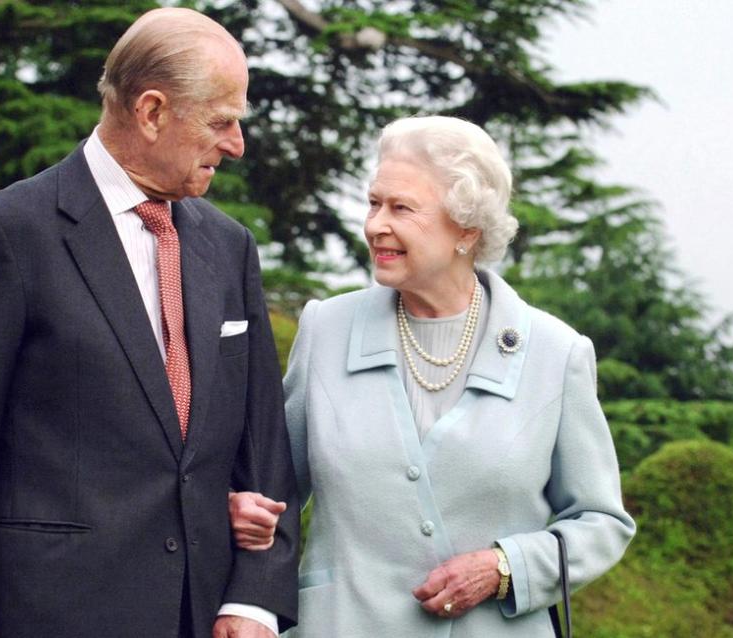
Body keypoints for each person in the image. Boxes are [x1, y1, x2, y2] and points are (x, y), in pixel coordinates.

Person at [0, 8, 299, 638]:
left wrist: (254, 599)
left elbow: (264, 445)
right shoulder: (6, 235)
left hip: (206, 619)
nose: (236, 144)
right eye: (221, 122)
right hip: (52, 616)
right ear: (150, 111)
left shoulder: (230, 247)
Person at [229, 115, 635, 636]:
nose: (376, 224)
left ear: (466, 228)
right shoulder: (326, 329)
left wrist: (506, 567)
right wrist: (239, 506)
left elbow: (602, 522)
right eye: (374, 203)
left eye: (401, 208)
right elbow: (271, 486)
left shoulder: (556, 354)